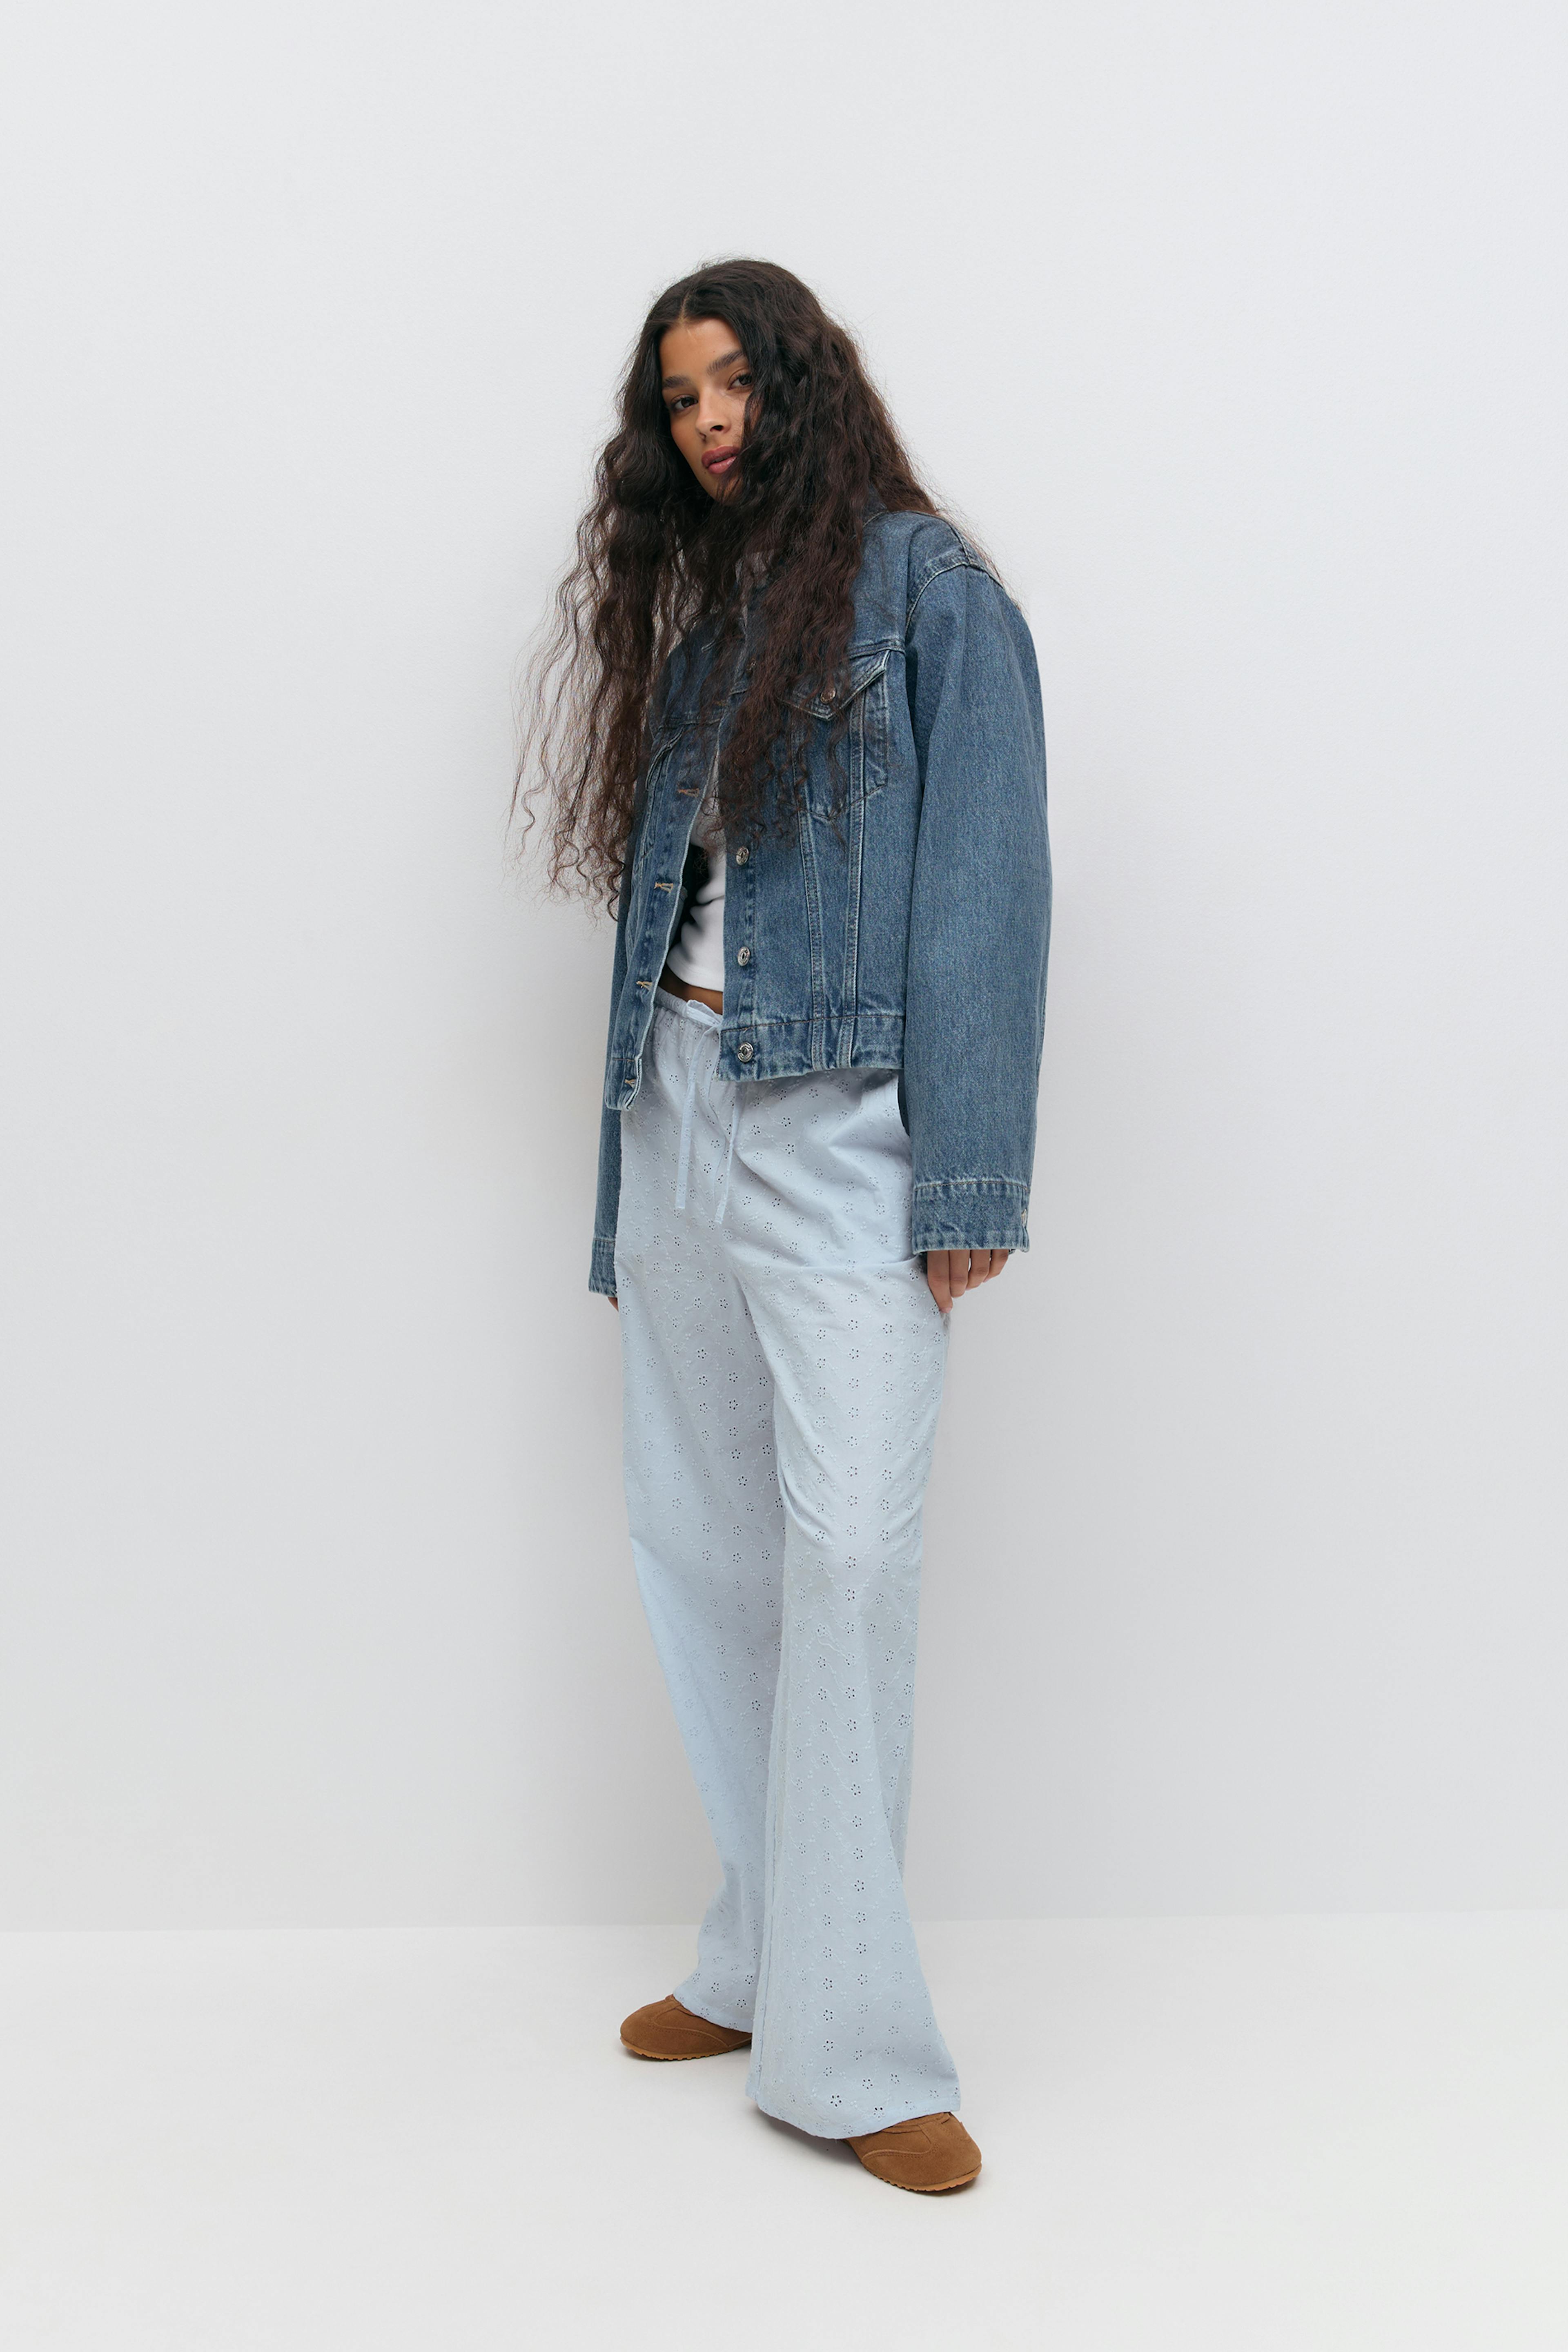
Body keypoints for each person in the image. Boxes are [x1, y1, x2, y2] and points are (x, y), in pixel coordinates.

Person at [521, 258, 1050, 2193]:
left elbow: (990, 878)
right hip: (674, 1100)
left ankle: (860, 2056)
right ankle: (759, 1961)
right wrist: (629, 1156)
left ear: (805, 384)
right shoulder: (709, 602)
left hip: (842, 1128)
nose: (712, 421)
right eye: (681, 399)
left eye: (737, 382)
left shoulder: (931, 590)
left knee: (845, 1557)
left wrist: (970, 1170)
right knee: (705, 1538)